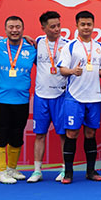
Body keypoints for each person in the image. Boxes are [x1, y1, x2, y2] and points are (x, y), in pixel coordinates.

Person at [57, 10, 101, 184]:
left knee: (90, 133)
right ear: (77, 26)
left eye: (89, 24)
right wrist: (72, 71)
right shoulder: (70, 46)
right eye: (83, 24)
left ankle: (91, 171)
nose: (86, 27)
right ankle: (68, 172)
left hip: (94, 97)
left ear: (93, 26)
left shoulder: (99, 47)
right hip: (75, 97)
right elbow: (62, 69)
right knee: (72, 133)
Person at [0, 15, 37, 184]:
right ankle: (2, 171)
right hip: (1, 100)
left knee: (17, 136)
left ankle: (11, 168)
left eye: (18, 27)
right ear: (5, 29)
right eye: (11, 27)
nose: (14, 30)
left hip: (22, 100)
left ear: (23, 29)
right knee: (1, 136)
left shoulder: (31, 48)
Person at [29, 11, 69, 183]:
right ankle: (37, 171)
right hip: (41, 96)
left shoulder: (67, 45)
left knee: (63, 135)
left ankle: (65, 169)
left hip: (60, 95)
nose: (57, 29)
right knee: (39, 134)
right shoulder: (37, 42)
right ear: (43, 28)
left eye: (59, 25)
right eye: (52, 26)